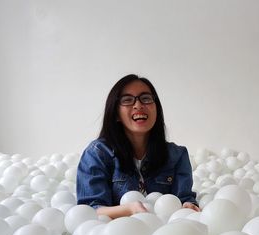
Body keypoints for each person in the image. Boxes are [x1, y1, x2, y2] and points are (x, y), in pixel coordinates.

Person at [76, 74, 199, 219]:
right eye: (127, 100)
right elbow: (90, 209)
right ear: (116, 114)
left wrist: (188, 206)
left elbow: (184, 199)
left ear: (156, 109)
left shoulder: (177, 155)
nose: (138, 105)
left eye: (146, 98)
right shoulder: (97, 154)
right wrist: (129, 209)